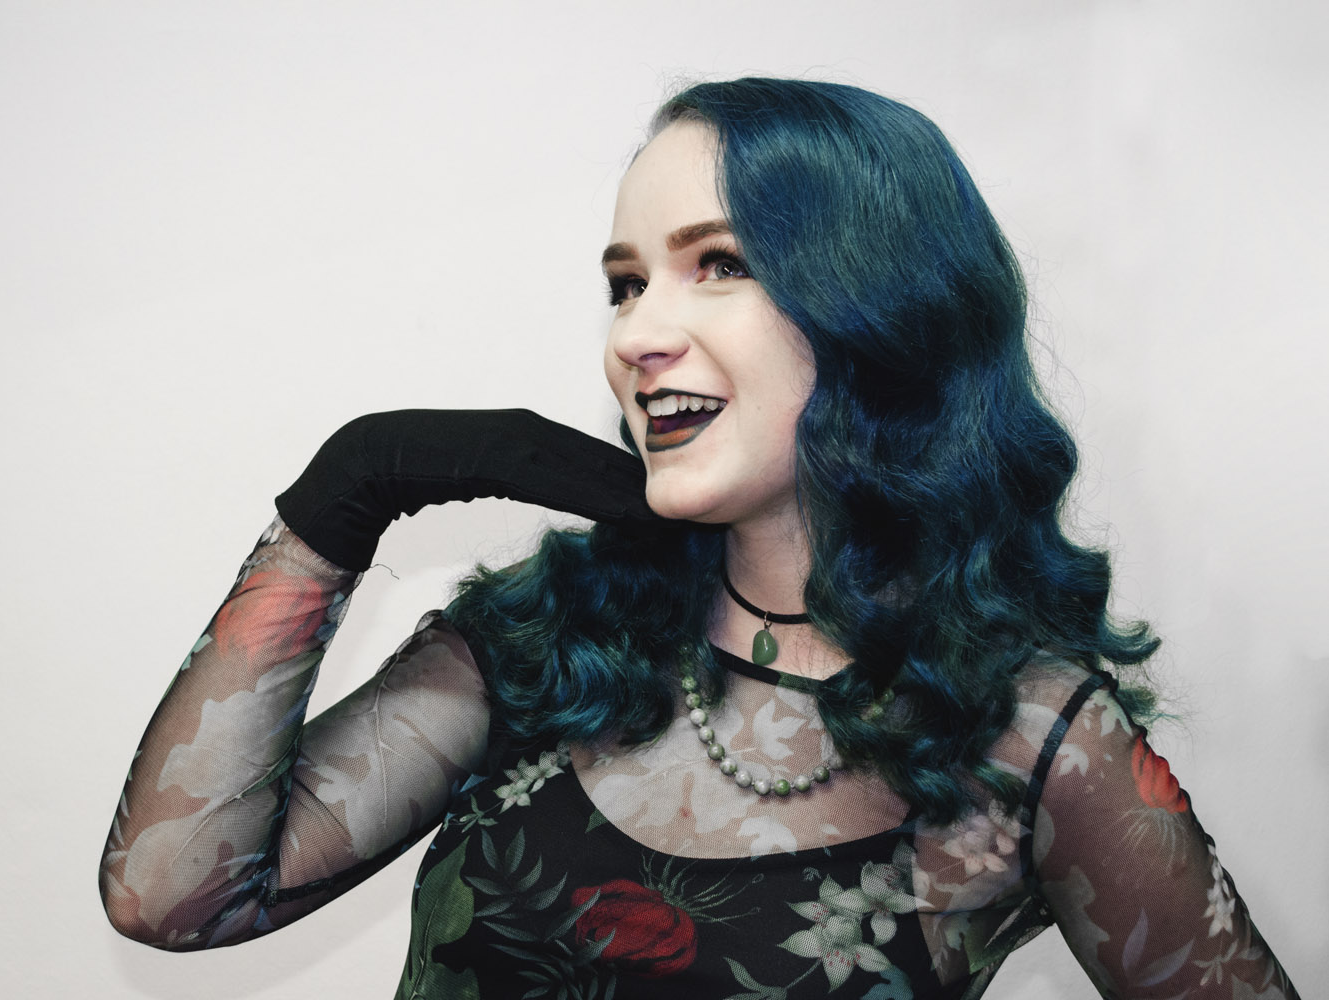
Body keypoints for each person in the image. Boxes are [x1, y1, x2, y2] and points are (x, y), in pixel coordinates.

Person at [99, 78, 1299, 999]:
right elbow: (172, 894)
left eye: (716, 264)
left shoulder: (1033, 738)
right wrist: (341, 498)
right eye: (624, 284)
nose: (635, 336)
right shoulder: (541, 640)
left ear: (879, 305)